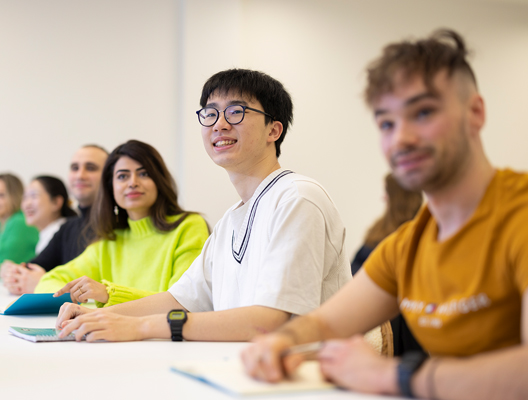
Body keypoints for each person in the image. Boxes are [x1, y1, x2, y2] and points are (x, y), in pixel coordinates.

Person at [241, 29, 528, 400]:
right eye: (387, 123)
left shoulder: (519, 216)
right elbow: (326, 322)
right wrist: (280, 343)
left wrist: (393, 376)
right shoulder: (407, 246)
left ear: (475, 113)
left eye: (423, 113)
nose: (401, 138)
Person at [54, 69, 351, 342]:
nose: (220, 124)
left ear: (274, 130)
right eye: (210, 113)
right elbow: (179, 299)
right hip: (240, 368)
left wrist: (141, 326)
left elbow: (270, 321)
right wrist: (101, 315)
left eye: (236, 111)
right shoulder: (231, 220)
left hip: (303, 379)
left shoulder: (297, 198)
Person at [33, 139, 209, 308]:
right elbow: (48, 281)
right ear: (111, 187)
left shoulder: (189, 227)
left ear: (159, 180)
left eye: (144, 174)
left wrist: (110, 295)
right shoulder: (109, 241)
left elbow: (182, 302)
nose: (133, 183)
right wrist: (74, 295)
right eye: (122, 176)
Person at [0, 145, 108, 294]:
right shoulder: (67, 228)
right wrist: (13, 272)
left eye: (91, 168)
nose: (80, 175)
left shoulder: (114, 227)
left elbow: (99, 290)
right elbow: (32, 268)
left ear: (109, 176)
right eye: (75, 168)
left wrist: (42, 282)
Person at [351, 173, 424, 356]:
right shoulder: (380, 227)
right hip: (365, 303)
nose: (383, 197)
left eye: (387, 191)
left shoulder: (416, 231)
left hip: (394, 316)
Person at [22, 175, 77, 255]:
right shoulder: (46, 235)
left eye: (34, 196)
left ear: (56, 202)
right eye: (24, 197)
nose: (27, 204)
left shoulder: (63, 235)